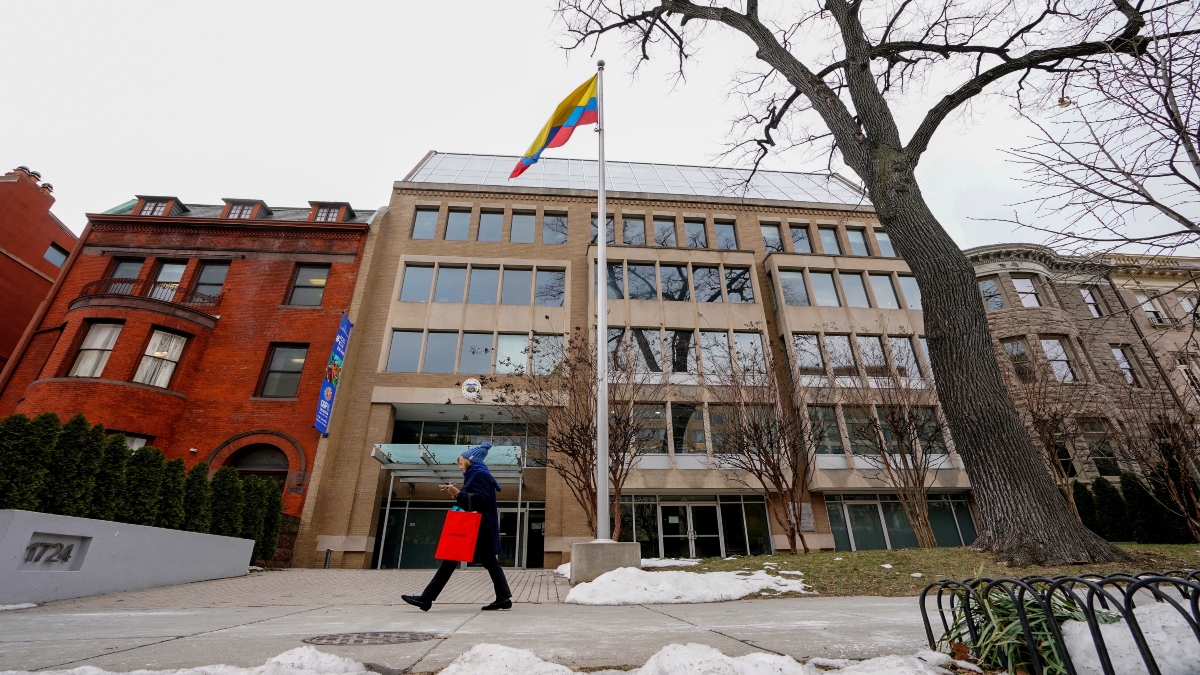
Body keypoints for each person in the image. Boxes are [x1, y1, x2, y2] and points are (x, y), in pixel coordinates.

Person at [402, 442, 512, 611]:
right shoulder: (476, 475)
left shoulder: (479, 475)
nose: (460, 466)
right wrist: (455, 492)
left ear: (470, 461)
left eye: (461, 463)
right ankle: (503, 598)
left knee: (466, 560)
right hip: (478, 526)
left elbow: (480, 499)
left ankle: (426, 599)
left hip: (478, 527)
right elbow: (474, 499)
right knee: (483, 561)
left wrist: (458, 493)